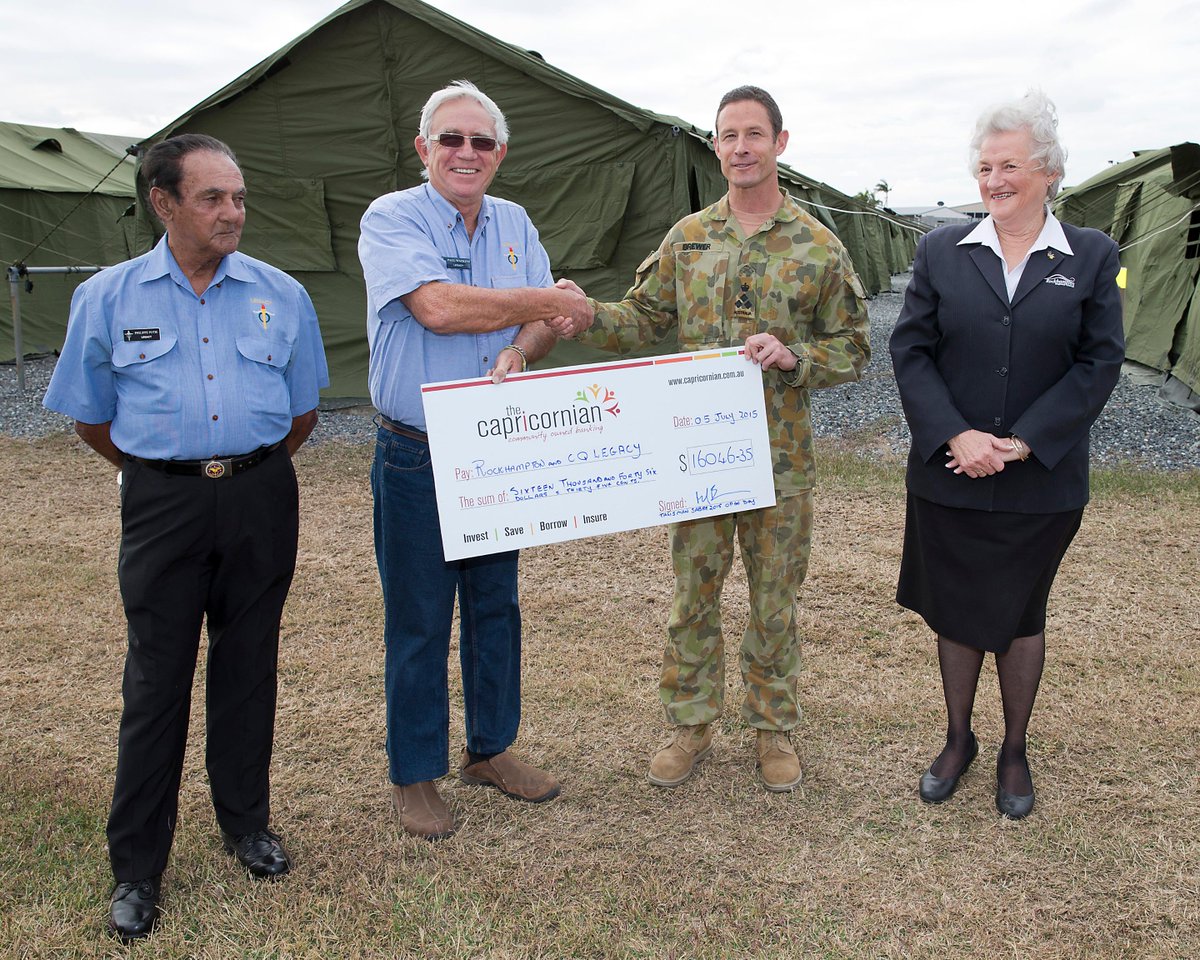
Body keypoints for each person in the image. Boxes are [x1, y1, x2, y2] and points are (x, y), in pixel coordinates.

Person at [42, 134, 329, 940]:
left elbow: (302, 412)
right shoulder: (107, 297)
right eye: (213, 198)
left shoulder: (281, 293)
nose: (233, 212)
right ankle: (137, 867)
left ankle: (247, 824)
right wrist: (168, 473)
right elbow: (92, 420)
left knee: (249, 665)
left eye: (238, 197)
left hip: (261, 496)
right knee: (156, 680)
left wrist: (243, 471)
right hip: (163, 507)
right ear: (163, 202)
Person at [550, 86, 870, 792]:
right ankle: (691, 722)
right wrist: (582, 316)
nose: (741, 147)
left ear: (780, 143)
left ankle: (771, 726)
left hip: (780, 464)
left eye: (755, 134)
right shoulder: (688, 238)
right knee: (693, 593)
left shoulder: (816, 245)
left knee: (774, 599)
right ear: (716, 146)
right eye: (728, 136)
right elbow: (640, 318)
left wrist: (796, 358)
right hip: (695, 458)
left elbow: (856, 346)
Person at [358, 80, 592, 841]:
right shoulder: (392, 217)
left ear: (499, 155)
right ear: (423, 148)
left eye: (481, 142)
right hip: (417, 453)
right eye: (451, 139)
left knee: (496, 607)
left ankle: (489, 749)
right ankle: (414, 774)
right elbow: (437, 307)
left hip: (498, 450)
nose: (466, 153)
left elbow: (549, 325)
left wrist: (525, 350)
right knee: (421, 618)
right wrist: (540, 301)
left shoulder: (515, 221)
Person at [889, 90, 1124, 819]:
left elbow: (1099, 363)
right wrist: (956, 434)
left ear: (1049, 171)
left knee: (1022, 614)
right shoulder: (940, 252)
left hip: (1041, 483)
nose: (995, 180)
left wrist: (1021, 443)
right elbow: (911, 350)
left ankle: (1013, 749)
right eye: (985, 167)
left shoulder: (1091, 257)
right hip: (949, 473)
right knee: (957, 611)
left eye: (1011, 165)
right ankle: (957, 739)